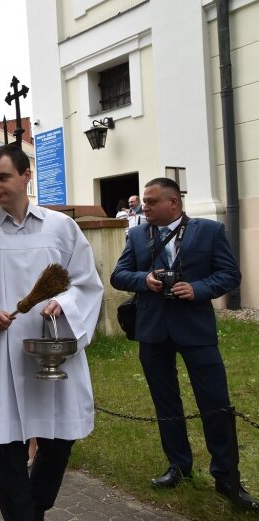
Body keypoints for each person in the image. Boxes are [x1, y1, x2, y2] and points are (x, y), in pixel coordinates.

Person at [0, 144, 104, 521]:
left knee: (60, 438)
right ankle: (23, 516)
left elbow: (86, 283)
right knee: (10, 445)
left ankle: (36, 505)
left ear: (26, 175)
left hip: (54, 347)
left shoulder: (61, 227)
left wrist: (66, 304)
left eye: (3, 177)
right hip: (7, 351)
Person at [110, 178, 258, 508]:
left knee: (216, 402)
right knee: (166, 403)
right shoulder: (136, 234)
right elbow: (119, 275)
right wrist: (144, 280)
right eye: (143, 202)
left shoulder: (209, 231)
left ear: (173, 203)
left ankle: (226, 477)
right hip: (152, 331)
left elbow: (229, 275)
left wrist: (198, 289)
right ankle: (179, 465)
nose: (143, 207)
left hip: (195, 330)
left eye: (150, 201)